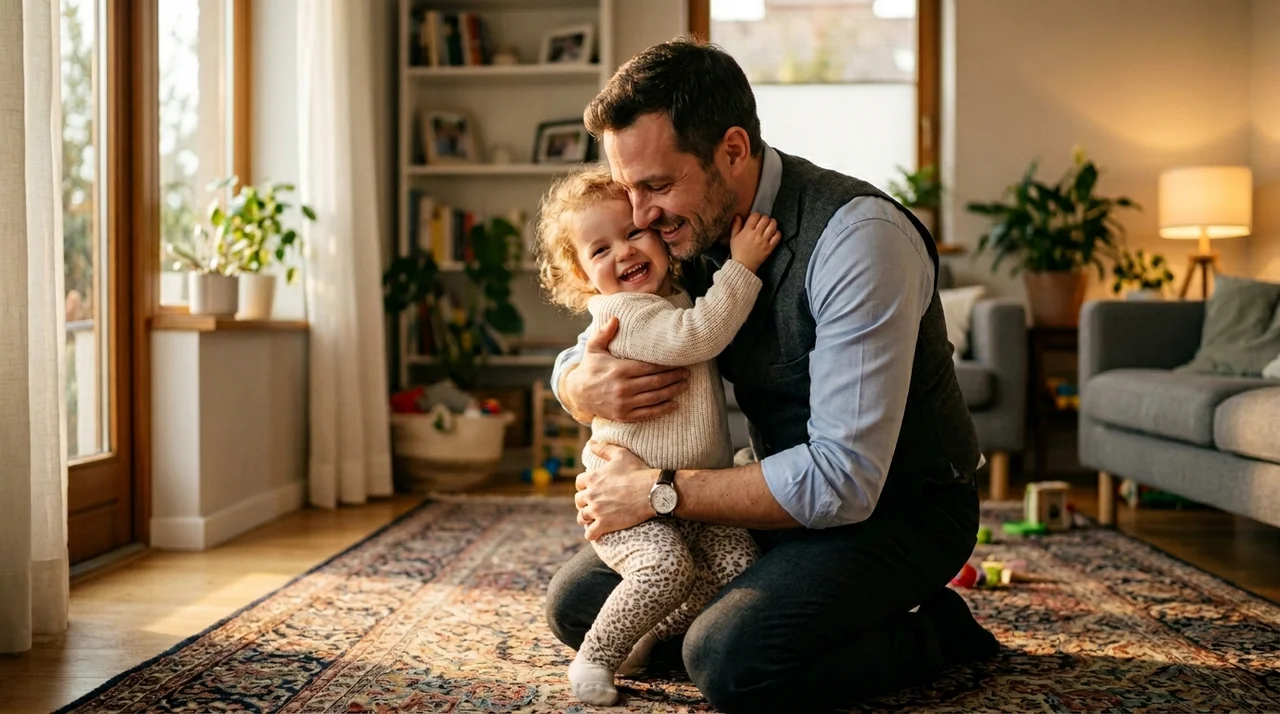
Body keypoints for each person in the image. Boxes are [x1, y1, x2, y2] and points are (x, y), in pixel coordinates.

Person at [544, 38, 1000, 713]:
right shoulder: (683, 230)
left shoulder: (858, 240)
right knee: (579, 606)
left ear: (732, 150)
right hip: (770, 494)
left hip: (899, 509)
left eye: (656, 185)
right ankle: (798, 618)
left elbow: (844, 482)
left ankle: (935, 632)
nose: (639, 218)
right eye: (630, 188)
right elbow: (611, 321)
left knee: (729, 660)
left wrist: (657, 492)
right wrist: (576, 381)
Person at [534, 165, 781, 705]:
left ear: (659, 231)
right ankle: (594, 658)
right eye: (599, 251)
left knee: (739, 569)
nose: (622, 253)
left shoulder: (671, 294)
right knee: (665, 568)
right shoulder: (628, 314)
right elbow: (701, 335)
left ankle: (646, 636)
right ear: (581, 276)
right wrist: (742, 267)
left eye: (632, 233)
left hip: (696, 496)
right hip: (627, 502)